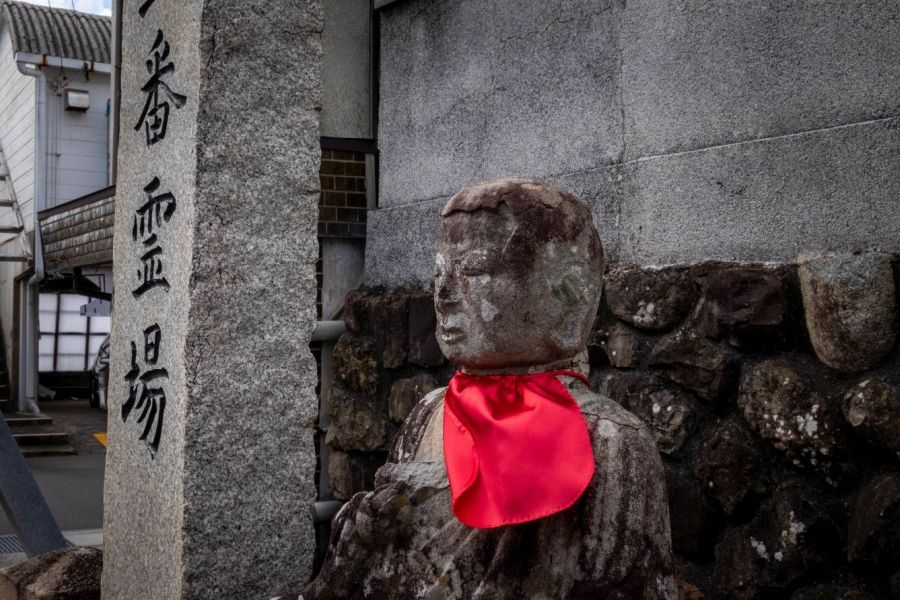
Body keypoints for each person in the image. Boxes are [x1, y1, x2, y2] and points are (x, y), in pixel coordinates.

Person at [304, 179, 676, 599]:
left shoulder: (611, 442)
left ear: (569, 292)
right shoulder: (429, 410)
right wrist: (363, 538)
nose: (443, 295)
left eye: (475, 272)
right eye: (440, 273)